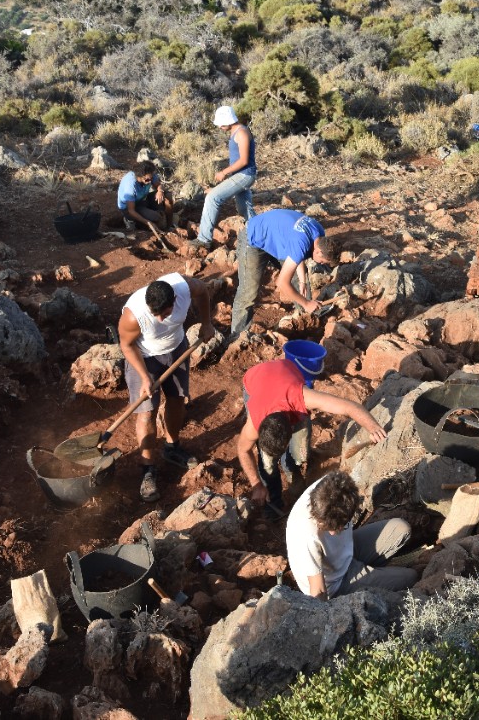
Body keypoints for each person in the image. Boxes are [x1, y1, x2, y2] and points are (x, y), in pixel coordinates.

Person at [235, 358, 385, 515]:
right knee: (267, 462)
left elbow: (349, 406)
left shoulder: (302, 398)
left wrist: (373, 427)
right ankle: (274, 503)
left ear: (291, 427)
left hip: (284, 373)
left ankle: (291, 468)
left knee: (300, 452)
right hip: (254, 380)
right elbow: (243, 449)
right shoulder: (254, 421)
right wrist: (256, 484)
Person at [117, 273, 215, 502]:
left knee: (177, 399)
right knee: (146, 412)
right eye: (155, 313)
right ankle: (148, 468)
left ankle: (172, 447)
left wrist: (207, 323)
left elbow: (203, 293)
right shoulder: (133, 316)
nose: (160, 319)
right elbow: (127, 345)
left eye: (165, 312)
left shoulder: (185, 288)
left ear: (174, 302)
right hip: (144, 358)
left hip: (177, 349)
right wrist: (143, 377)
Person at [286, 471, 417, 598]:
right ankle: (369, 579)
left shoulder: (335, 488)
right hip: (335, 583)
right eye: (327, 528)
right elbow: (318, 590)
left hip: (347, 551)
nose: (332, 533)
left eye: (339, 527)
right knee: (411, 577)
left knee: (402, 529)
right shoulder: (306, 536)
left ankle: (374, 574)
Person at [229, 208, 335, 339]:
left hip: (276, 237)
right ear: (318, 251)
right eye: (323, 261)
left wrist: (302, 280)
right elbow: (281, 282)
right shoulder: (301, 242)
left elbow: (300, 252)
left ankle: (307, 319)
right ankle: (237, 337)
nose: (322, 264)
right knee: (248, 292)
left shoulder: (319, 234)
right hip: (254, 238)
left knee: (299, 278)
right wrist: (307, 303)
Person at [190, 105, 256, 249]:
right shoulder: (236, 132)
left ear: (228, 120)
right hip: (240, 175)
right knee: (244, 208)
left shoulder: (242, 133)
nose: (219, 126)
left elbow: (244, 160)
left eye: (220, 122)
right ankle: (259, 233)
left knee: (213, 197)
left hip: (245, 175)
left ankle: (204, 239)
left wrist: (224, 172)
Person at [117, 160, 172, 231]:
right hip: (128, 208)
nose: (150, 181)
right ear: (139, 176)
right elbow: (131, 210)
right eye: (147, 180)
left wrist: (160, 191)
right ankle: (130, 220)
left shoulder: (149, 174)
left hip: (142, 200)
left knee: (168, 195)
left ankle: (169, 226)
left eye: (151, 179)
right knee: (156, 217)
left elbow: (158, 185)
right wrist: (148, 222)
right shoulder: (130, 186)